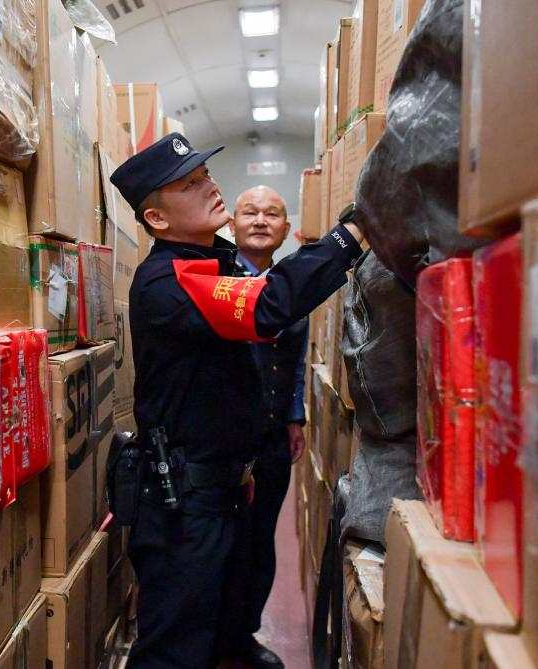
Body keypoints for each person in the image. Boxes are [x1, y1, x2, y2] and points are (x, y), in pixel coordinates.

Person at [109, 133, 363, 669]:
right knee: (175, 651)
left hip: (221, 490)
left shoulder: (212, 263)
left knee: (222, 630)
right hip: (185, 504)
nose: (210, 187)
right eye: (189, 184)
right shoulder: (171, 280)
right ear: (157, 218)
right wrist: (351, 236)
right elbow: (269, 303)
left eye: (205, 175)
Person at [227, 186, 308, 669]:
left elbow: (296, 360)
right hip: (229, 444)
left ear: (286, 228)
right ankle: (217, 641)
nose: (260, 220)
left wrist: (296, 414)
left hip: (274, 438)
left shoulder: (289, 285)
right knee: (228, 543)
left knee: (262, 542)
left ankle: (244, 637)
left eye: (272, 214)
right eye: (250, 212)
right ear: (232, 224)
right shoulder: (217, 280)